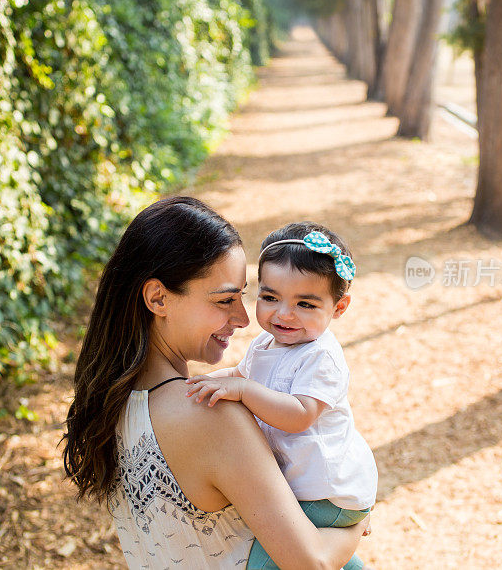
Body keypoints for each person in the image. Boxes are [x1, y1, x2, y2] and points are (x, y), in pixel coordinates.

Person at [62, 197, 369, 569]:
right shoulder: (213, 417)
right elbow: (312, 563)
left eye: (243, 296)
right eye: (225, 299)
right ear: (158, 298)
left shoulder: (112, 402)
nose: (243, 318)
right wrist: (357, 522)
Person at [185, 222, 378, 570]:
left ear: (339, 307)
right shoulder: (264, 344)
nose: (284, 314)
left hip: (326, 491)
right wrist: (203, 383)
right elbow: (239, 375)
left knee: (269, 562)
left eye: (305, 303)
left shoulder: (321, 357)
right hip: (301, 484)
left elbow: (300, 413)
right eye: (270, 297)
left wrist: (244, 390)